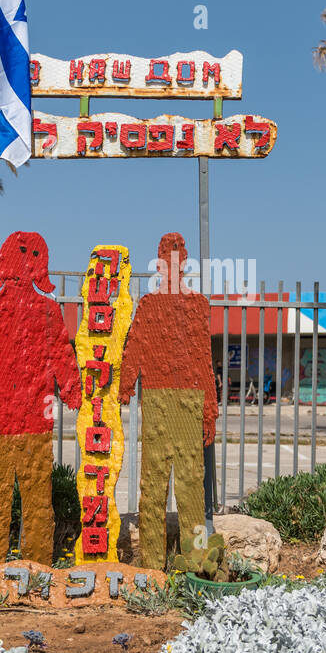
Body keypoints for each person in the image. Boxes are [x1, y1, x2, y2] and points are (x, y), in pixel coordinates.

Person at [0, 232, 80, 569]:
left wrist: (71, 387)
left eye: (33, 254)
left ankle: (28, 567)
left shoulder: (44, 311)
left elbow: (60, 352)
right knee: (4, 499)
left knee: (29, 500)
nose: (27, 260)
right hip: (9, 424)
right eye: (22, 254)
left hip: (25, 423)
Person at [120, 233, 218, 568]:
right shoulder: (150, 306)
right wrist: (125, 383)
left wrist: (210, 410)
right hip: (163, 400)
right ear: (161, 264)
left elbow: (204, 360)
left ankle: (197, 557)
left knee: (188, 488)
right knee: (159, 486)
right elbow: (134, 348)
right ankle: (154, 563)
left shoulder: (195, 306)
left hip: (184, 400)